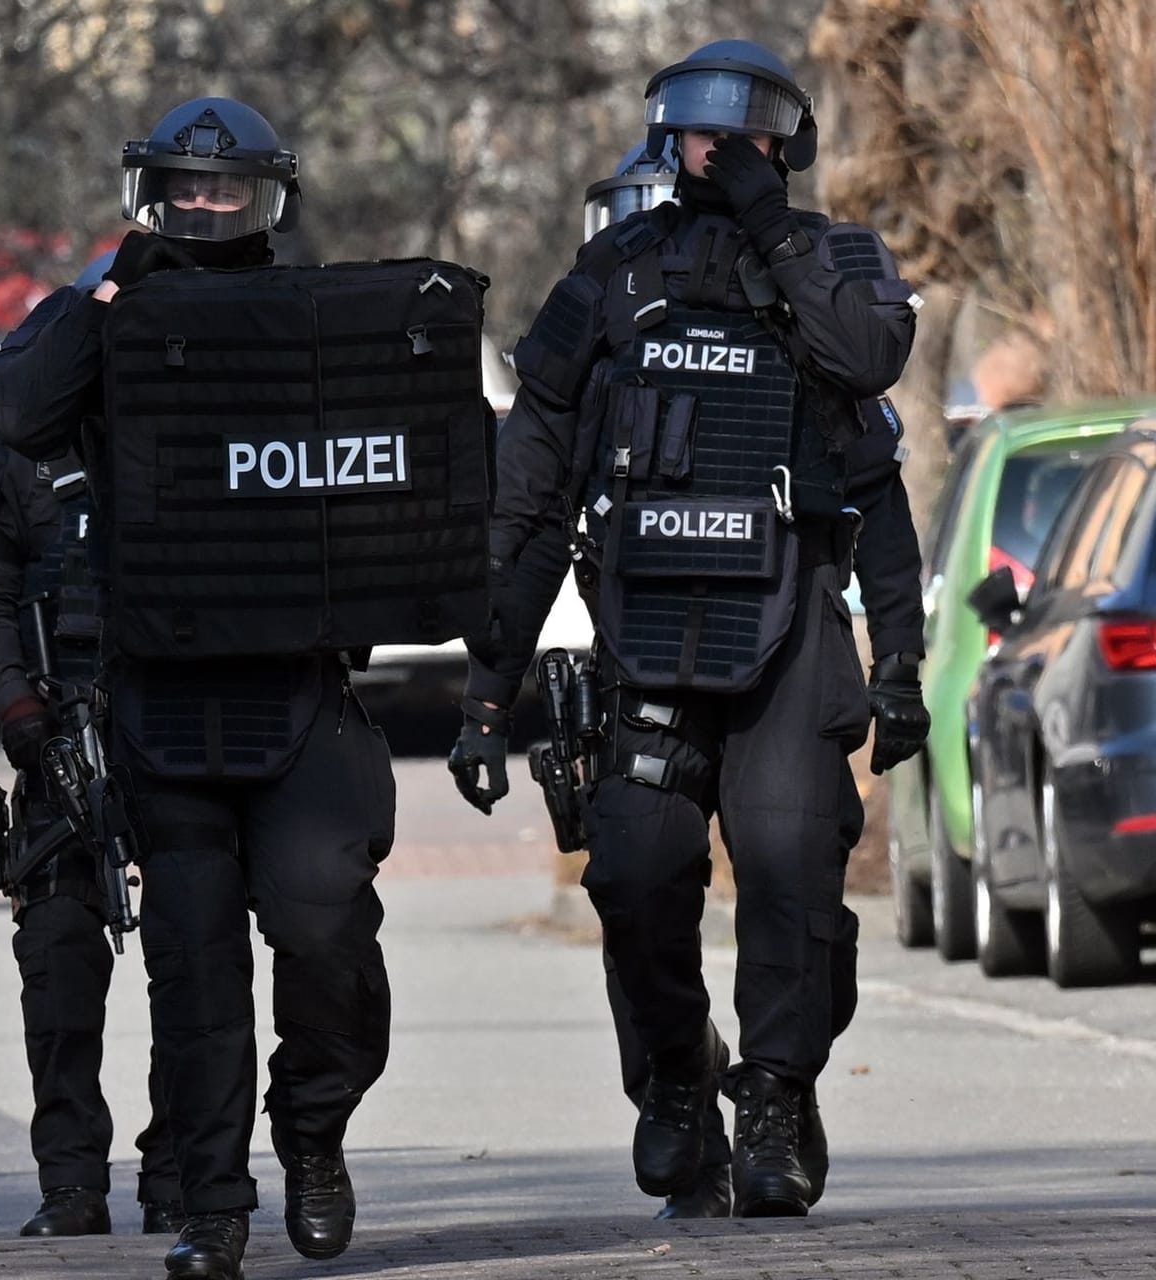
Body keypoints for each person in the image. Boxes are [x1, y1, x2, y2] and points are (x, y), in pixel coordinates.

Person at [450, 42, 929, 1218]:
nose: (720, 154)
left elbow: (876, 437)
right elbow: (529, 496)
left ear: (786, 147)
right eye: (702, 136)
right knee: (639, 870)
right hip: (650, 629)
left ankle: (774, 1093)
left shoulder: (828, 270)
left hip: (790, 627)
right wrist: (485, 688)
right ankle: (677, 1076)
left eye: (747, 137)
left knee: (787, 869)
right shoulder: (611, 279)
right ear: (669, 139)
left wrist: (904, 663)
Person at [0, 98, 421, 1280]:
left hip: (295, 693)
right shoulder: (106, 319)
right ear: (151, 194)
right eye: (187, 186)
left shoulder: (314, 318)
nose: (210, 206)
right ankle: (214, 1207)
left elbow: (406, 462)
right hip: (162, 701)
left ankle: (314, 1130)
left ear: (269, 198)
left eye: (232, 190)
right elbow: (15, 414)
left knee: (324, 928)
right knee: (195, 966)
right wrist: (112, 300)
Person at [0, 420, 182, 1238]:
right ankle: (72, 1183)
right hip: (61, 743)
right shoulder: (14, 442)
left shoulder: (186, 403)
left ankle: (180, 1172)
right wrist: (15, 703)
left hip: (181, 732)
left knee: (194, 968)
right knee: (58, 961)